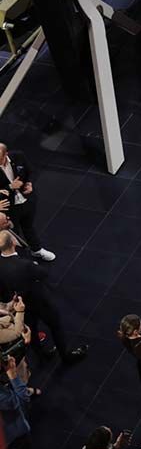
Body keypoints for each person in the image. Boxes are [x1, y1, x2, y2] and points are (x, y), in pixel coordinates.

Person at [0, 231, 85, 362]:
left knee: (31, 329)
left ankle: (41, 355)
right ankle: (66, 356)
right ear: (13, 243)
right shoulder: (25, 265)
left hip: (19, 304)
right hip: (39, 301)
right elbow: (43, 274)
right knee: (55, 325)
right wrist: (35, 265)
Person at [0, 146, 52, 261]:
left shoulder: (18, 156)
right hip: (8, 207)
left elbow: (30, 171)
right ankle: (19, 259)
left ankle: (36, 250)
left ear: (6, 154)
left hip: (26, 199)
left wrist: (29, 182)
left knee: (28, 226)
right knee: (13, 234)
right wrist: (9, 187)